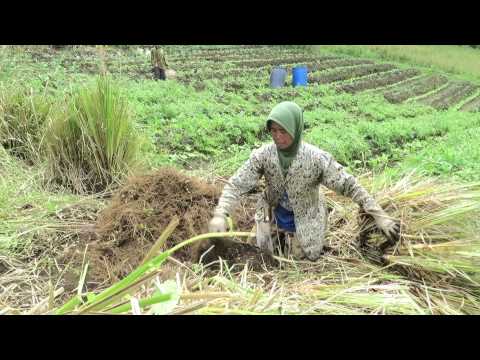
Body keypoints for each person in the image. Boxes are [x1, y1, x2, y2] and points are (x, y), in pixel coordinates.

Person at [208, 101, 400, 261]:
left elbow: (350, 186)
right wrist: (220, 213)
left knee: (300, 260)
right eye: (273, 131)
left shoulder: (316, 159)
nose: (278, 137)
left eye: (283, 131)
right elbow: (236, 184)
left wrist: (379, 215)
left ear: (296, 129)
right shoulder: (263, 155)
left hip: (306, 218)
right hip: (273, 213)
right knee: (266, 255)